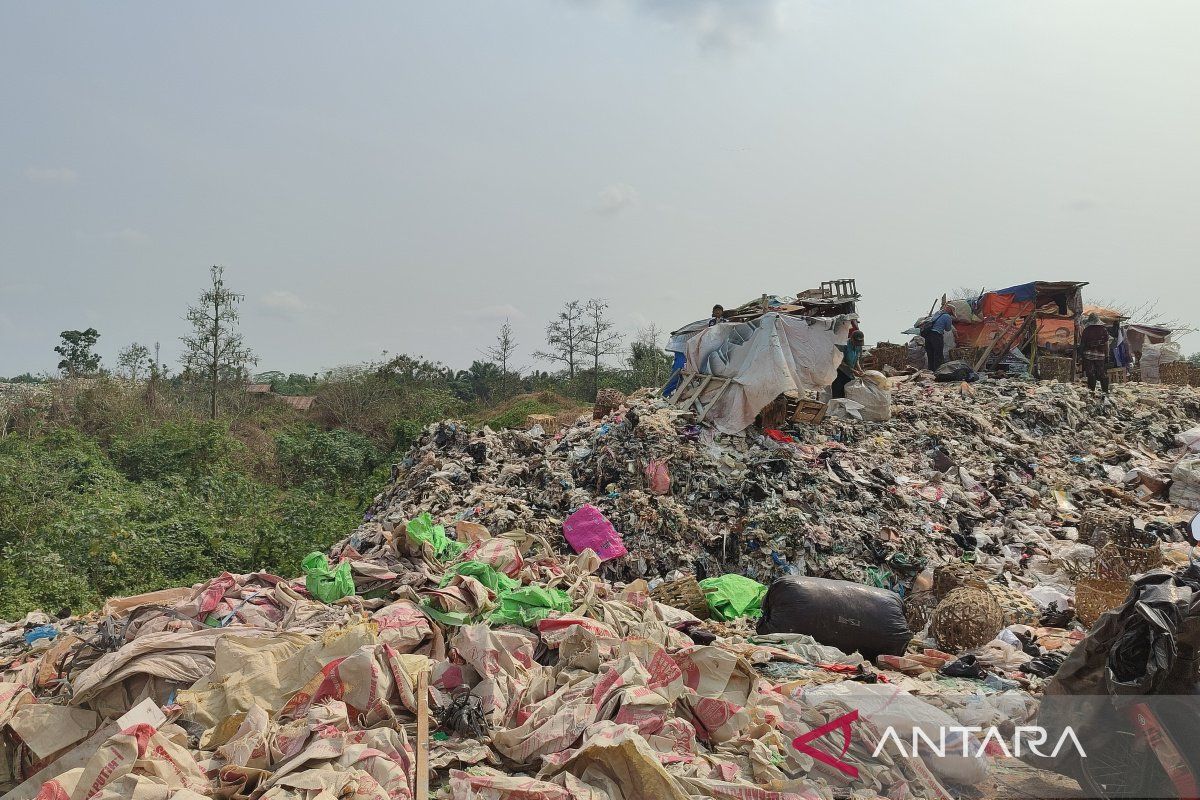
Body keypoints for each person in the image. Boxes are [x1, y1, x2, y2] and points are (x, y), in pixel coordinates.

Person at [1080, 313, 1111, 394]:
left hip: (1088, 355)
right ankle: (1105, 391)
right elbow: (1106, 344)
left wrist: (1081, 355)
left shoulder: (1086, 330)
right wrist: (1107, 356)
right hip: (1100, 355)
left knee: (1090, 373)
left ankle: (1092, 390)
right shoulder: (1104, 330)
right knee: (1101, 373)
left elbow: (1082, 344)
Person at [833, 330, 865, 398]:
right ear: (851, 338)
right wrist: (854, 371)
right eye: (856, 342)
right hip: (839, 374)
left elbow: (856, 359)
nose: (857, 344)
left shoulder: (858, 346)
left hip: (849, 374)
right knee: (838, 394)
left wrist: (859, 369)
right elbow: (840, 362)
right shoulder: (843, 344)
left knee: (847, 394)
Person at [922, 304, 954, 371]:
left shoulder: (937, 313)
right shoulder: (947, 316)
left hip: (928, 335)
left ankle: (931, 371)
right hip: (936, 336)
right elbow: (948, 329)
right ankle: (938, 371)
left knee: (930, 354)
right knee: (938, 354)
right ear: (951, 312)